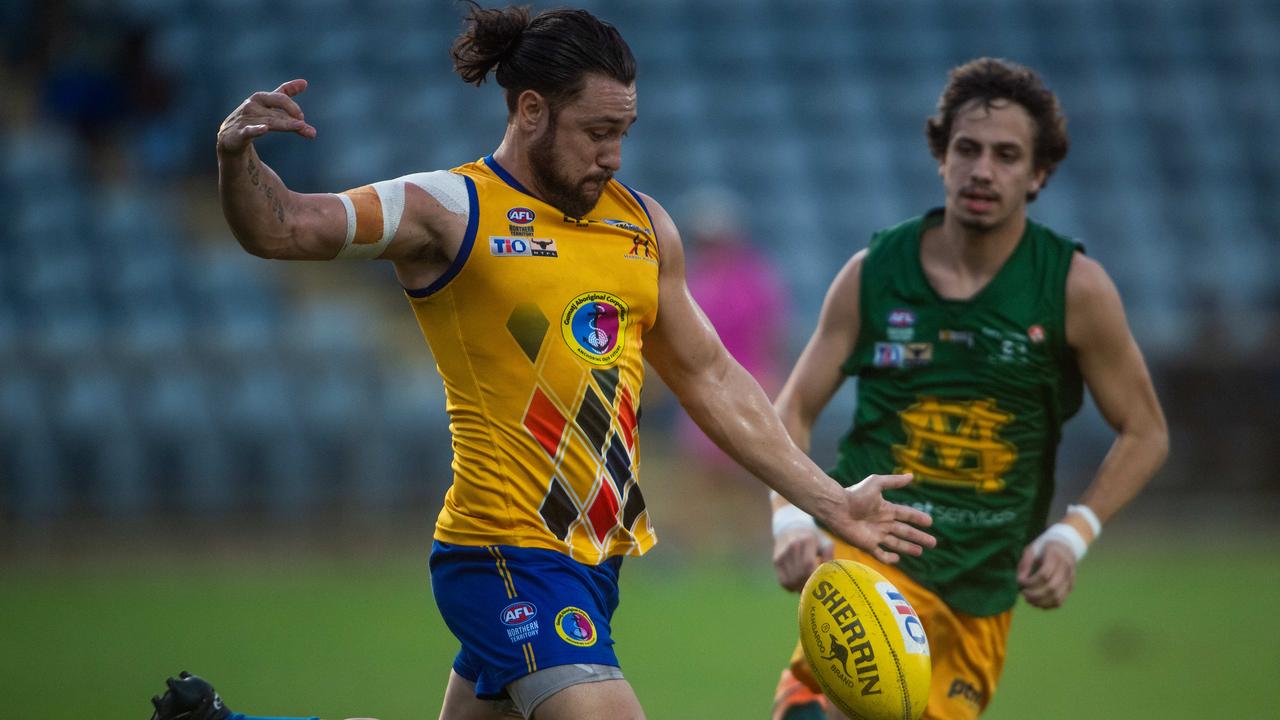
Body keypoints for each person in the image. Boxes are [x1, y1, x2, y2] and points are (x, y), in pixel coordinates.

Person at [207, 5, 934, 720]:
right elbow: (289, 227)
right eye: (597, 132)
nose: (613, 154)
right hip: (502, 552)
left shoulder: (644, 227)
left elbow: (712, 378)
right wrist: (236, 154)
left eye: (623, 132)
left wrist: (831, 499)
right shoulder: (449, 209)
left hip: (593, 561)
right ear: (530, 111)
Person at [768, 58, 1169, 720]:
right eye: (968, 149)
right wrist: (789, 517)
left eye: (1008, 155)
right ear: (941, 156)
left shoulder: (1075, 288)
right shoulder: (874, 273)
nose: (983, 170)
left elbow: (1147, 430)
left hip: (981, 592)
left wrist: (1075, 532)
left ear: (1038, 174)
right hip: (874, 565)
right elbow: (793, 408)